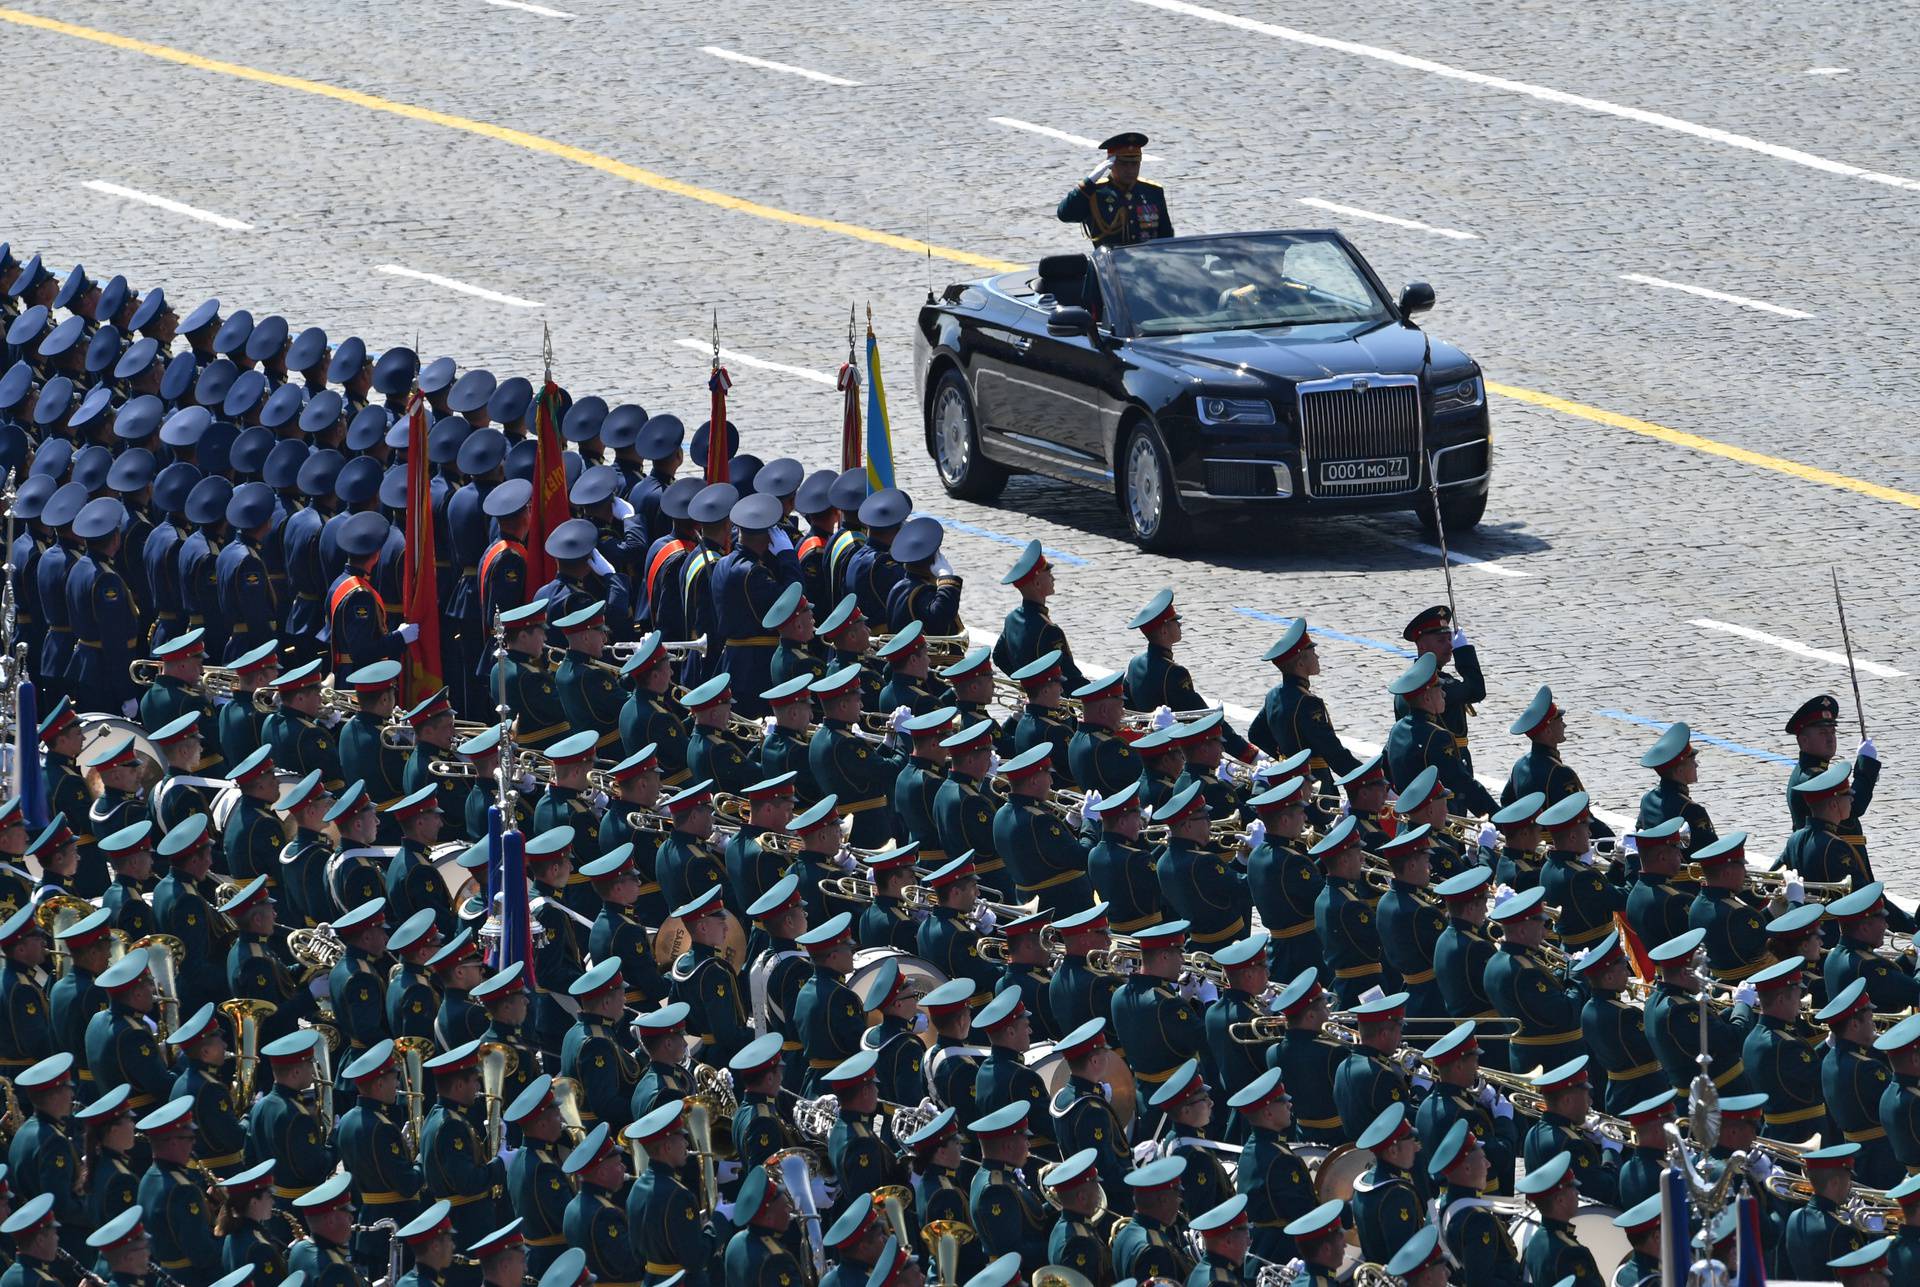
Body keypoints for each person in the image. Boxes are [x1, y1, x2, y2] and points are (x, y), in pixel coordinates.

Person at [1056, 131, 1173, 247]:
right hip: (1111, 263)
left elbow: (1167, 239)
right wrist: (1088, 182)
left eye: (1135, 164)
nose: (1130, 170)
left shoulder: (1152, 192)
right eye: (1123, 164)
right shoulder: (1095, 193)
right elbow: (1065, 215)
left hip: (1148, 262)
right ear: (1110, 164)